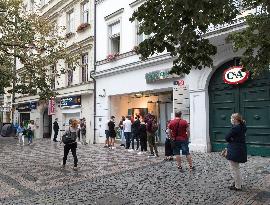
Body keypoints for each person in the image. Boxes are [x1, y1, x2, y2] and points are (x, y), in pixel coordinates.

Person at [225, 113, 247, 191]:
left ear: (235, 120)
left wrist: (231, 140)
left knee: (234, 168)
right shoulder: (242, 126)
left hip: (234, 149)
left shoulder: (235, 128)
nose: (230, 120)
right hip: (239, 148)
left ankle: (237, 186)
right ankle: (237, 183)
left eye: (232, 118)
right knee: (236, 167)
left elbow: (227, 137)